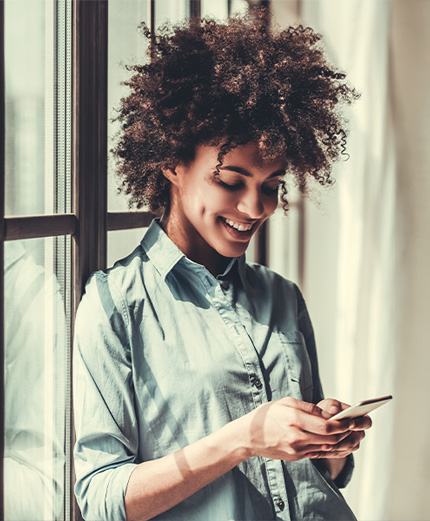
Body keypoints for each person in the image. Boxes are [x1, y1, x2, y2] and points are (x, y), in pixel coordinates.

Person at [73, 11, 371, 521]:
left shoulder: (282, 296)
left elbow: (323, 477)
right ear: (172, 162)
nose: (257, 208)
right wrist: (244, 439)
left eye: (272, 185)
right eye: (231, 181)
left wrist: (331, 445)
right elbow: (102, 500)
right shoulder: (115, 306)